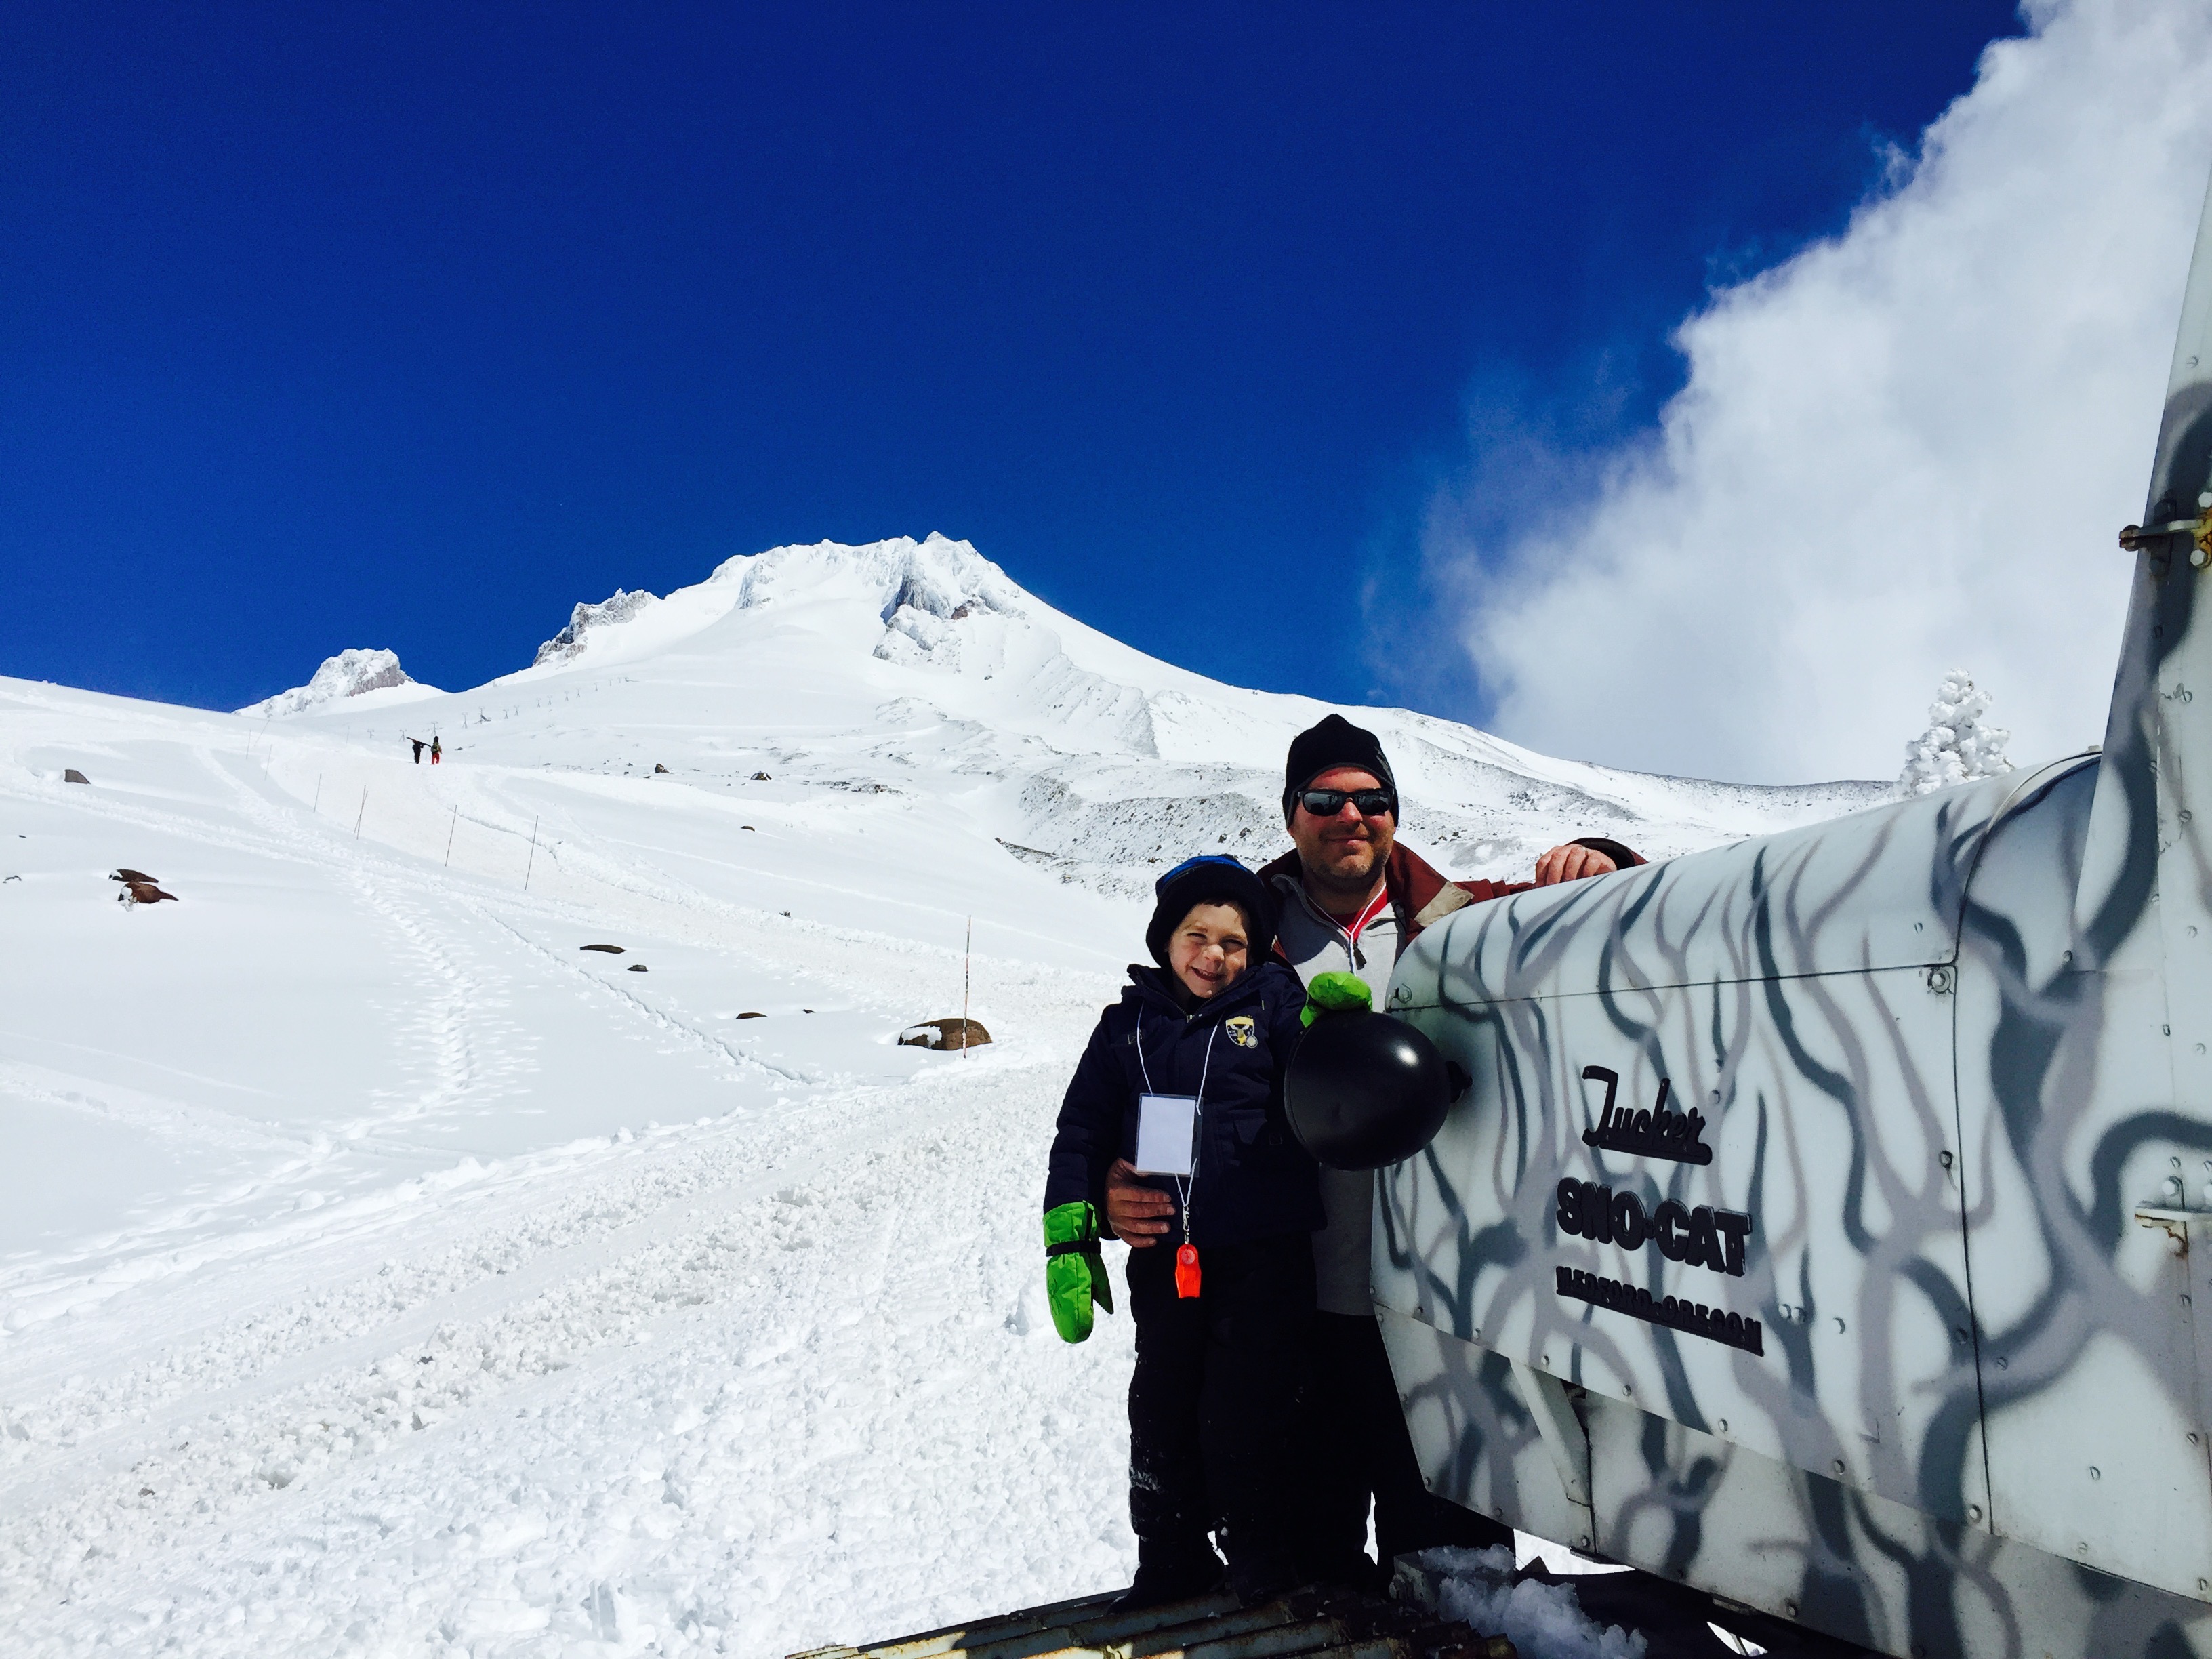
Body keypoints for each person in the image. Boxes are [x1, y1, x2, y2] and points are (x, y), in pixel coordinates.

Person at [1107, 714, 1641, 1590]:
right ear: (1291, 814)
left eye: (1372, 798)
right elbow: (1158, 1065)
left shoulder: (1466, 922)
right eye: (1325, 800)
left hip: (1445, 1317)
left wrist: (1603, 862)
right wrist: (1117, 1179)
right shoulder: (1233, 938)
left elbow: (1619, 919)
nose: (1350, 816)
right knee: (1305, 1582)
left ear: (1395, 812)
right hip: (1289, 1315)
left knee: (1457, 1579)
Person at [1042, 856, 1322, 1610]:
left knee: (1247, 1411)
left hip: (1263, 1257)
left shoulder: (1275, 1006)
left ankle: (1262, 1559)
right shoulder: (1126, 1026)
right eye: (1197, 936)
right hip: (1166, 1259)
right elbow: (1081, 1132)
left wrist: (1338, 1033)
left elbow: (1323, 1073)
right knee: (1160, 1409)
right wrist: (1070, 1237)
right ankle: (1170, 1560)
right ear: (1166, 940)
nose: (1213, 955)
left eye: (1234, 942)